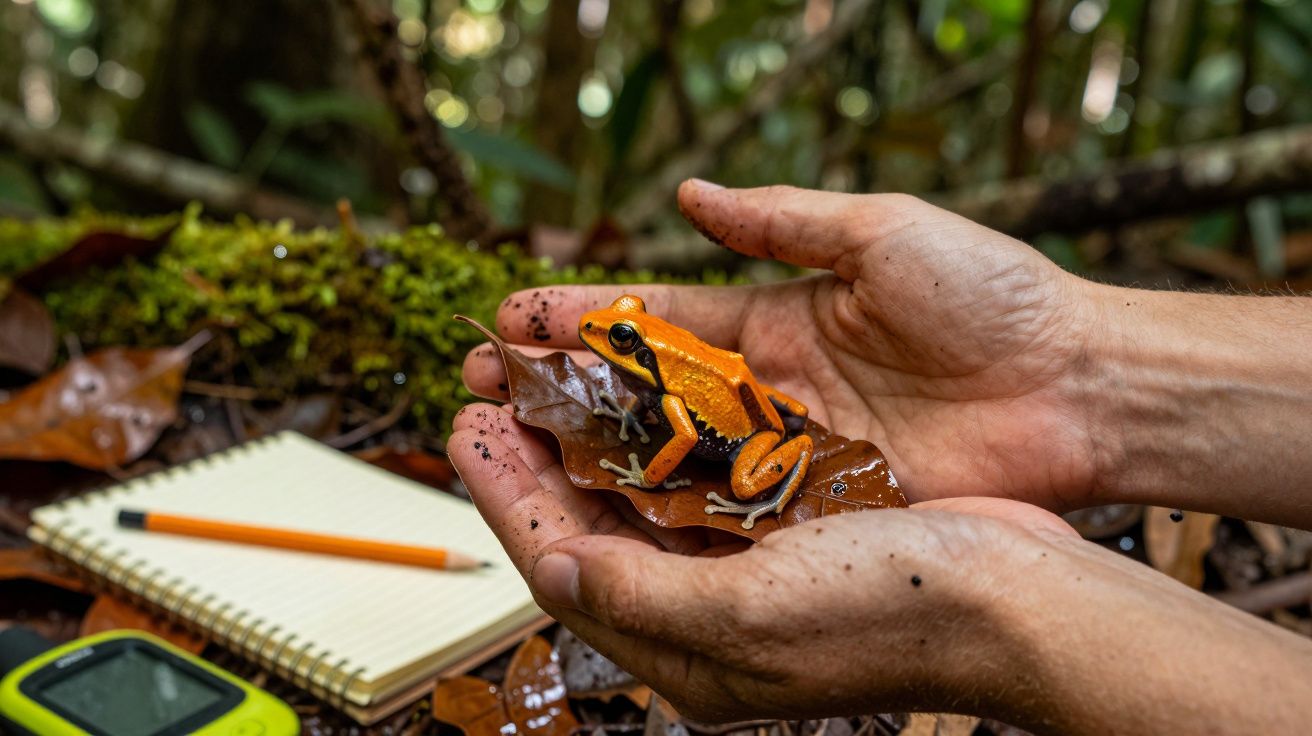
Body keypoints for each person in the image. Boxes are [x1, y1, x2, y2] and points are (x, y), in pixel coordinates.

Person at [451, 180, 1312, 734]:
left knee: (742, 472)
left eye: (622, 337)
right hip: (756, 406)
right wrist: (1079, 373)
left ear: (642, 345)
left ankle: (768, 491)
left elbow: (679, 436)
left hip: (749, 446)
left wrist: (643, 473)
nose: (606, 341)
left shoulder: (671, 392)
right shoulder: (663, 369)